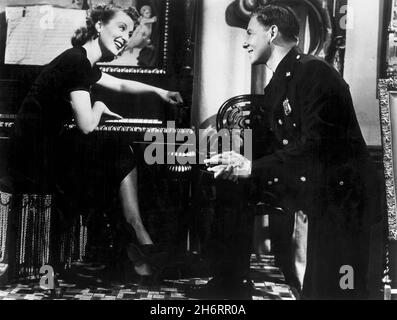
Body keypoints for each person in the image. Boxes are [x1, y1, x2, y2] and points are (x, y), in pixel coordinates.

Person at [200, 4, 381, 299]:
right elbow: (270, 143)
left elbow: (314, 147)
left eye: (249, 33)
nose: (244, 42)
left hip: (343, 202)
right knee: (228, 183)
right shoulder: (281, 80)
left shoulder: (314, 73)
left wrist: (253, 167)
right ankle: (230, 284)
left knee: (335, 290)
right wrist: (237, 160)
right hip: (310, 186)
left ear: (272, 33)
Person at [2, 5, 183, 277]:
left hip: (43, 150)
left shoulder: (82, 61)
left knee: (118, 150)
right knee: (117, 149)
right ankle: (137, 238)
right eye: (121, 28)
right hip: (31, 158)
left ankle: (136, 239)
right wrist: (99, 106)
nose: (126, 36)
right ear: (99, 26)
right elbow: (87, 125)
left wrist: (161, 91)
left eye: (131, 32)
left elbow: (120, 84)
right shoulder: (77, 62)